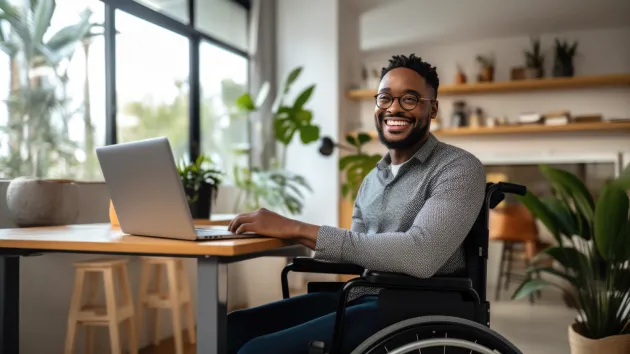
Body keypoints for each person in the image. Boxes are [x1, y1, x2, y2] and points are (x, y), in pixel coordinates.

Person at [226, 53, 487, 354]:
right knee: (233, 328)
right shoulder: (373, 179)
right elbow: (359, 250)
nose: (394, 108)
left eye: (410, 99)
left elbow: (421, 255)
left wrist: (298, 228)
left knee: (256, 351)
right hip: (363, 296)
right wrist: (282, 233)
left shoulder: (458, 167)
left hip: (416, 309)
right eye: (385, 98)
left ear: (433, 109)